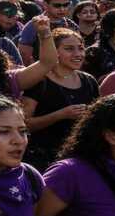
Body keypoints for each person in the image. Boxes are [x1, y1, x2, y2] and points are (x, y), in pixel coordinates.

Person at [21, 30, 100, 170]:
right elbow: (24, 124)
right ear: (54, 52)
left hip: (78, 156)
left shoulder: (89, 81)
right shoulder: (40, 81)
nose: (77, 54)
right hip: (43, 158)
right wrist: (60, 115)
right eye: (69, 49)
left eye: (81, 48)